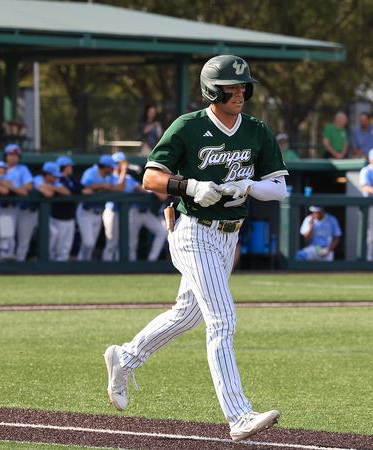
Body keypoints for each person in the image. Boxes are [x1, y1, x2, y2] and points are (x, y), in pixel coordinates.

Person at [103, 55, 286, 442]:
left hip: (228, 234)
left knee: (187, 314)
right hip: (193, 230)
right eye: (230, 88)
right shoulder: (189, 126)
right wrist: (187, 186)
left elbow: (278, 188)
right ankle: (238, 416)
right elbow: (151, 178)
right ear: (211, 90)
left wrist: (248, 186)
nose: (239, 93)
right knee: (222, 318)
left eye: (242, 87)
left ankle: (126, 357)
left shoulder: (256, 130)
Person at [77, 154, 121, 260]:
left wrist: (107, 187)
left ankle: (83, 265)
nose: (112, 169)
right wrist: (102, 186)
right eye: (111, 167)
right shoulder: (91, 172)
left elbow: (118, 188)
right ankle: (81, 263)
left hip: (98, 212)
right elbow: (85, 185)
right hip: (86, 211)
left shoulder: (109, 176)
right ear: (105, 167)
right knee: (88, 243)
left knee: (91, 245)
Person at [3, 144, 36, 261]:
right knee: (5, 237)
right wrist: (18, 190)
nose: (13, 157)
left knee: (24, 239)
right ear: (5, 156)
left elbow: (29, 185)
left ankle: (20, 264)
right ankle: (2, 266)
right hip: (4, 208)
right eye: (10, 154)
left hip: (21, 207)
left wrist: (13, 188)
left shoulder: (22, 169)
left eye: (16, 155)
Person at [34, 161, 71, 259]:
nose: (56, 178)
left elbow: (66, 192)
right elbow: (48, 194)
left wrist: (51, 187)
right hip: (26, 213)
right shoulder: (38, 179)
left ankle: (48, 258)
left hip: (40, 214)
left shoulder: (54, 182)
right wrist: (52, 188)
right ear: (47, 174)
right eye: (53, 176)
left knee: (53, 233)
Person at [50, 156, 80, 261]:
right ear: (63, 167)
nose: (71, 168)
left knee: (66, 245)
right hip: (58, 216)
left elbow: (78, 189)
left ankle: (62, 268)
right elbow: (66, 191)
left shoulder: (71, 179)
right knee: (57, 244)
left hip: (70, 215)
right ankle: (53, 266)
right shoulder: (56, 179)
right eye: (69, 166)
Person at [101, 152, 129, 261]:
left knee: (120, 242)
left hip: (122, 212)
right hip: (110, 211)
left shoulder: (127, 177)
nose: (122, 165)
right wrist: (123, 172)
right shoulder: (108, 176)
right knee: (111, 241)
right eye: (119, 163)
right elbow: (119, 188)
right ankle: (106, 267)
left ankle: (119, 268)